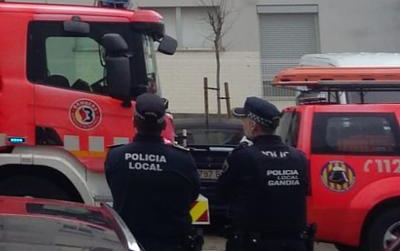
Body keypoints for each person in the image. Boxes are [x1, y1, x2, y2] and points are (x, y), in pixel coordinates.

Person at [105, 93, 201, 251]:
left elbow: (114, 187)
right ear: (164, 124)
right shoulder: (183, 159)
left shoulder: (116, 156)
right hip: (171, 244)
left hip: (131, 243)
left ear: (134, 121)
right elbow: (192, 195)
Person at [217, 97, 310, 251]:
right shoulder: (298, 157)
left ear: (253, 125)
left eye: (244, 120)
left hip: (254, 243)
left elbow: (223, 193)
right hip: (294, 243)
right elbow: (303, 191)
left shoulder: (243, 156)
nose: (243, 124)